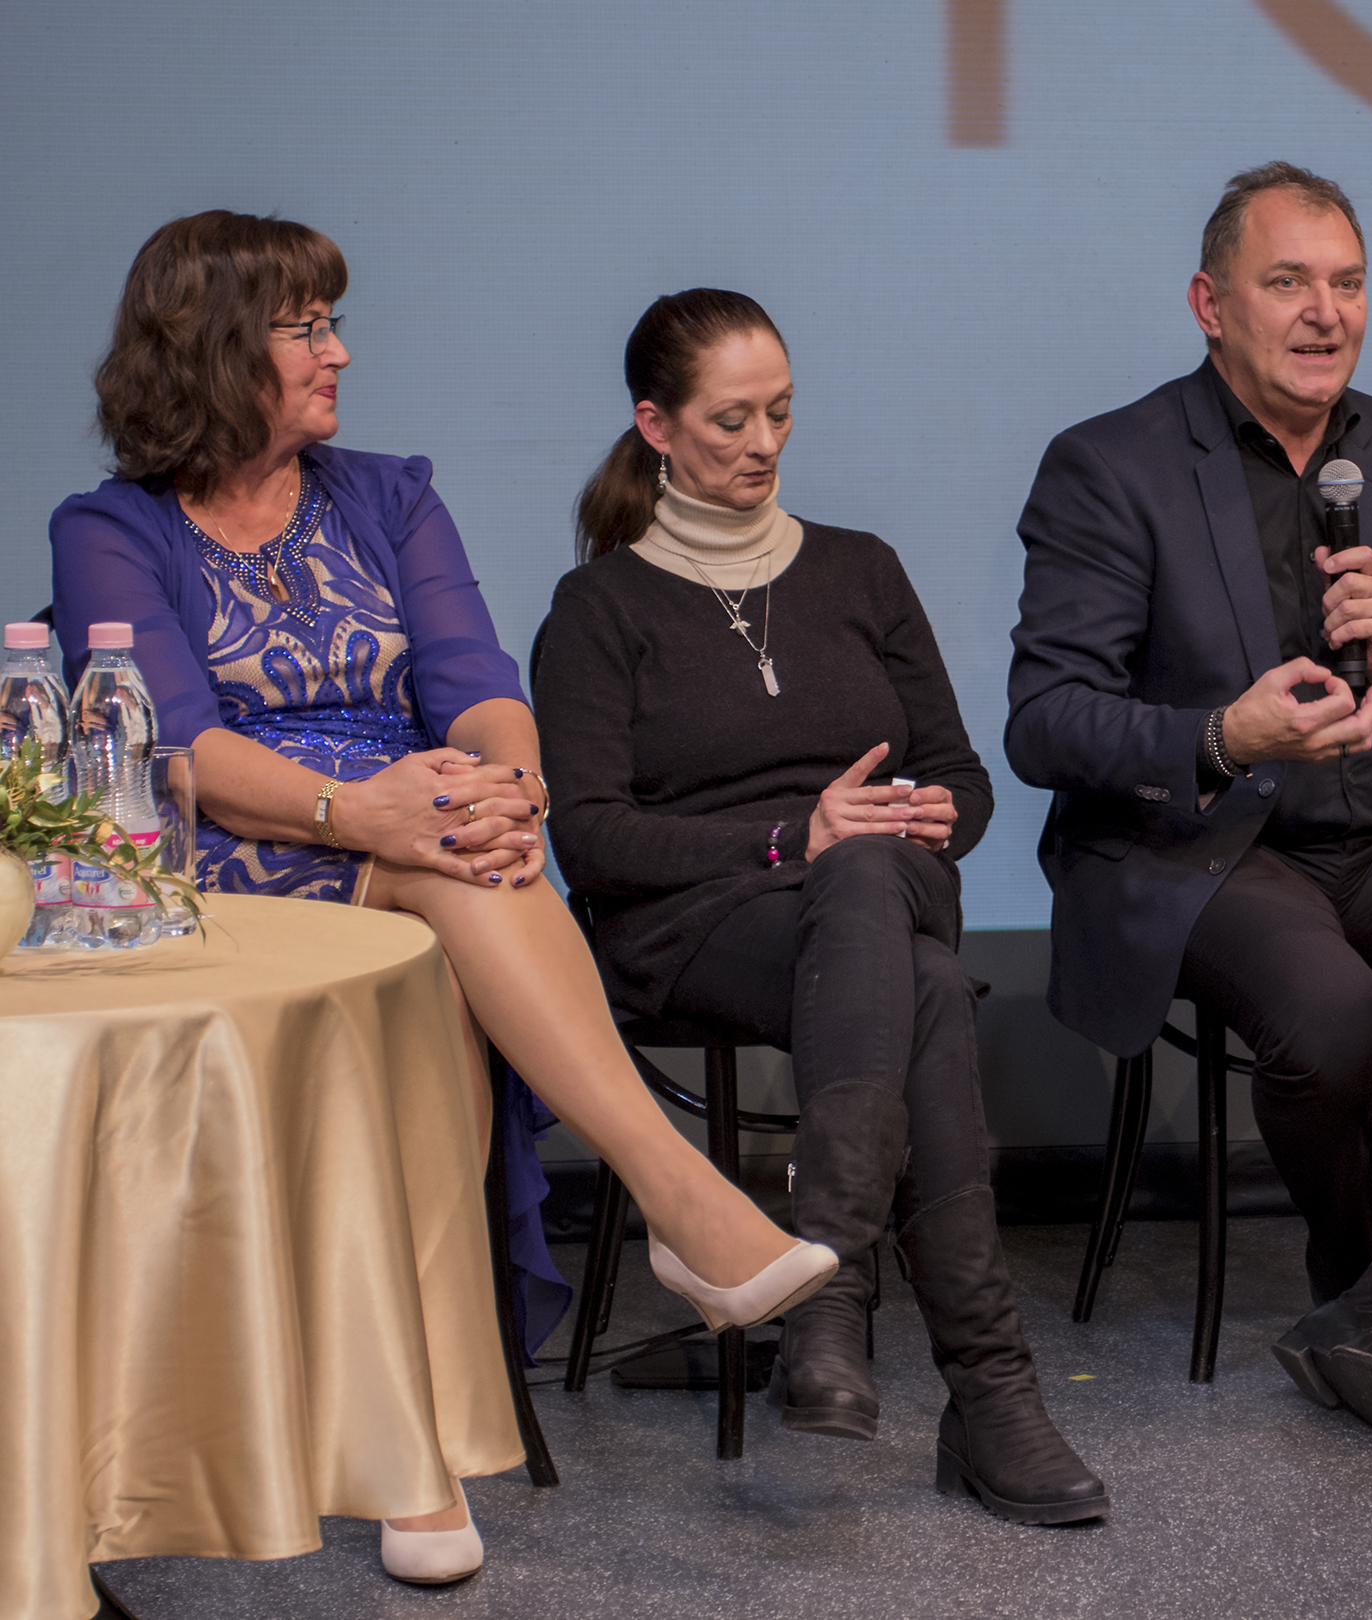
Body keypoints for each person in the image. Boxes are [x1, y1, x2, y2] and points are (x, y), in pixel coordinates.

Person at [48, 213, 837, 1586]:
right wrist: (362, 813)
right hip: (232, 850)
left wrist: (510, 787)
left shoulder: (389, 495)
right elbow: (179, 748)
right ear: (214, 345)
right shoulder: (110, 530)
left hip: (417, 834)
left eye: (332, 324)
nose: (339, 352)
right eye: (307, 329)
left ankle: (419, 1433)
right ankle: (672, 1199)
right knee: (442, 869)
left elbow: (475, 682)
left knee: (458, 903)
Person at [534, 289, 1107, 1525]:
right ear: (655, 426)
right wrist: (794, 832)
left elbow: (961, 778)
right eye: (730, 419)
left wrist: (934, 814)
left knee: (865, 878)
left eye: (781, 413)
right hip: (695, 924)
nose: (764, 443)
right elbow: (588, 838)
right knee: (929, 982)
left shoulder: (860, 568)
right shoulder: (600, 611)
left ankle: (823, 1277)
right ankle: (985, 1390)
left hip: (875, 886)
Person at [1006, 162, 1372, 1437]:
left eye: (1348, 284)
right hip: (1198, 840)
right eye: (1288, 283)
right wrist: (1221, 734)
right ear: (1211, 304)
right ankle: (1362, 1276)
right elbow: (1044, 723)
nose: (1325, 313)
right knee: (1329, 1010)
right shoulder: (1110, 464)